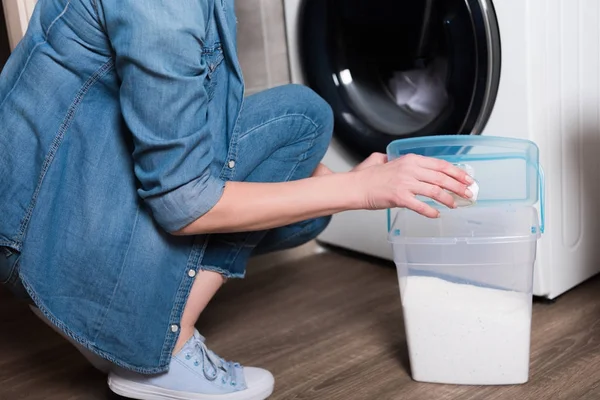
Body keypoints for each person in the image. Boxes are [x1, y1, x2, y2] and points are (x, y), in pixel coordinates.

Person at [0, 1, 474, 399]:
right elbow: (184, 203)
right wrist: (361, 192)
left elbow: (190, 138)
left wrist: (337, 187)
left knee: (305, 185)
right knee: (302, 121)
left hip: (66, 195)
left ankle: (111, 317)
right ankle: (155, 350)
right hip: (39, 231)